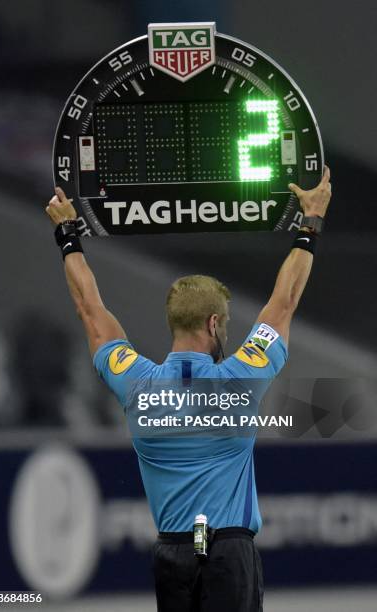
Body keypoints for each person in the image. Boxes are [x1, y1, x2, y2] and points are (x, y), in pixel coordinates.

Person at [45, 166, 332, 612]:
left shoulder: (135, 381)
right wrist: (309, 223)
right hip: (229, 556)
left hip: (173, 555)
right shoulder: (240, 377)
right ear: (214, 323)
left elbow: (90, 310)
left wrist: (68, 234)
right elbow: (284, 302)